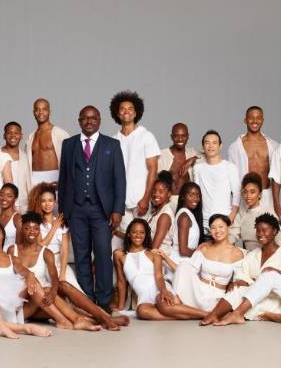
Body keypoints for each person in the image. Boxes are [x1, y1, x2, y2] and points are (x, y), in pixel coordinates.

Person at [58, 105, 126, 309]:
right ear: (79, 121)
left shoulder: (111, 145)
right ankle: (87, 299)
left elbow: (119, 179)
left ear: (99, 121)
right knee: (81, 255)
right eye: (85, 118)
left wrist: (117, 210)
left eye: (93, 118)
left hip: (101, 210)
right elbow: (64, 179)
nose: (89, 121)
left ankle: (104, 300)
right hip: (76, 209)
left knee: (103, 254)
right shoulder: (68, 145)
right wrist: (64, 211)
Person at [9, 213, 104, 331]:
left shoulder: (46, 252)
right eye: (27, 228)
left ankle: (87, 319)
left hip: (42, 303)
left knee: (55, 298)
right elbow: (17, 267)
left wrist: (54, 291)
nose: (31, 232)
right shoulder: (13, 250)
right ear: (22, 229)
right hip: (22, 306)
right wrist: (30, 275)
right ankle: (71, 320)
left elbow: (54, 276)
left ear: (39, 230)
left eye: (35, 228)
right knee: (46, 292)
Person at [200, 213, 281, 325]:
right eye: (258, 231)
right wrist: (241, 282)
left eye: (265, 230)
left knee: (246, 297)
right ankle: (213, 315)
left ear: (274, 231)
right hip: (251, 296)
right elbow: (242, 274)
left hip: (274, 299)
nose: (260, 234)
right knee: (237, 290)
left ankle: (249, 314)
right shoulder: (253, 255)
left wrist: (262, 283)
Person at [112, 219, 207, 320]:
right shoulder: (119, 254)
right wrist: (121, 307)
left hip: (158, 288)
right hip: (143, 295)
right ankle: (184, 315)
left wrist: (164, 291)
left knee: (164, 307)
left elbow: (158, 276)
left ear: (145, 235)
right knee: (142, 311)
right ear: (128, 234)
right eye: (134, 232)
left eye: (142, 232)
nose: (138, 235)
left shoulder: (153, 254)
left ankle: (208, 314)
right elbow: (121, 281)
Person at [110, 90, 161, 250]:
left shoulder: (146, 136)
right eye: (122, 109)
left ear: (136, 112)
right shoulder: (113, 140)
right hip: (120, 202)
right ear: (117, 113)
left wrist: (146, 198)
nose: (126, 111)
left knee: (143, 242)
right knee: (122, 244)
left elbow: (153, 169)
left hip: (140, 200)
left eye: (130, 108)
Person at [169, 214, 244, 314]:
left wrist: (234, 285)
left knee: (168, 309)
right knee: (184, 264)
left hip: (217, 297)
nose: (217, 231)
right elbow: (185, 271)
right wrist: (165, 258)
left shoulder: (237, 253)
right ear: (210, 231)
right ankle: (203, 314)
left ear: (228, 227)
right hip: (198, 292)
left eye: (221, 227)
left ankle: (188, 311)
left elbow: (239, 280)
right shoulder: (204, 248)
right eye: (213, 228)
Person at [27, 182, 80, 290]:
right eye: (43, 201)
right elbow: (41, 245)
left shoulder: (61, 222)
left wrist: (63, 274)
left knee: (74, 288)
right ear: (40, 203)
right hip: (44, 261)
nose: (47, 204)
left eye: (50, 200)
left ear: (55, 202)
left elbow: (65, 251)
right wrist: (54, 227)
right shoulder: (37, 223)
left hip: (60, 262)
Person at [227, 106, 279, 211]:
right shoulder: (235, 147)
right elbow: (231, 178)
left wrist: (276, 203)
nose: (255, 120)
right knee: (246, 227)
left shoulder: (274, 146)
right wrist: (235, 204)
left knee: (269, 227)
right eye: (251, 117)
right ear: (245, 120)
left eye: (258, 117)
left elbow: (277, 176)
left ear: (262, 120)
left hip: (267, 196)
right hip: (245, 197)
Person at [190, 130, 240, 234]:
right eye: (207, 142)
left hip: (225, 221)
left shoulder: (230, 167)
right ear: (203, 147)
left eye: (214, 143)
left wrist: (230, 218)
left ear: (220, 146)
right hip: (204, 223)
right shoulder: (198, 168)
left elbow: (237, 194)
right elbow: (197, 195)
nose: (210, 146)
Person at [157, 123, 202, 211]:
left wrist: (192, 159)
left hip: (186, 204)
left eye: (183, 136)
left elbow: (207, 155)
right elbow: (155, 181)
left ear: (188, 136)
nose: (180, 139)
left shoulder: (192, 153)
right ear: (171, 137)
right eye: (176, 136)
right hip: (167, 204)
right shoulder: (162, 155)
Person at [229, 173, 279, 250]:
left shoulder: (269, 213)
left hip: (267, 255)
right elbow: (232, 235)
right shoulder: (242, 213)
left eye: (252, 192)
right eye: (245, 192)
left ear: (260, 194)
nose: (248, 196)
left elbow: (279, 238)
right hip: (249, 256)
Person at [26, 98, 69, 187]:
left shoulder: (60, 133)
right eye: (37, 110)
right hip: (34, 179)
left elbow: (71, 160)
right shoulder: (31, 137)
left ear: (49, 111)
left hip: (54, 178)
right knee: (33, 201)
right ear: (34, 113)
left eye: (44, 109)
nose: (40, 112)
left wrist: (63, 180)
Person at [1, 122, 32, 212]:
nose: (13, 135)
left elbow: (29, 183)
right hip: (2, 204)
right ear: (4, 135)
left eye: (16, 133)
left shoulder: (26, 157)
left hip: (23, 206)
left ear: (21, 136)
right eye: (9, 132)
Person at [170, 182, 204, 263]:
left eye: (197, 195)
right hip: (180, 262)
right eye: (191, 195)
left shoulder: (189, 215)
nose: (195, 198)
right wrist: (202, 253)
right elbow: (183, 251)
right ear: (182, 196)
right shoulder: (184, 217)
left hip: (186, 262)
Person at [0, 183, 23, 251]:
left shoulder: (18, 219)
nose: (4, 198)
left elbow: (19, 248)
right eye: (2, 195)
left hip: (11, 258)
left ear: (15, 198)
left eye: (9, 196)